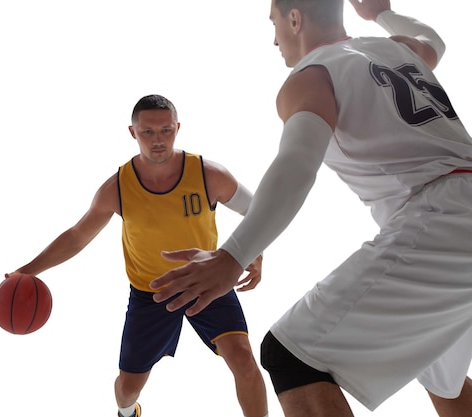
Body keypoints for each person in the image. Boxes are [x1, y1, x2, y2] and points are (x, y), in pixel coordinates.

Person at [149, 0, 472, 416]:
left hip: (445, 220)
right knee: (440, 377)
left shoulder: (312, 76)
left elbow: (297, 164)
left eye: (275, 22)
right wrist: (380, 12)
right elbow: (433, 40)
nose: (275, 38)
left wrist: (233, 255)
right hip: (455, 214)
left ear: (295, 18)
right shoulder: (397, 51)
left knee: (291, 356)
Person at [7, 94, 268, 417]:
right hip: (151, 293)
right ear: (132, 132)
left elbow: (257, 210)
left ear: (177, 128)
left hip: (207, 281)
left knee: (243, 359)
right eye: (147, 132)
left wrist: (252, 250)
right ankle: (128, 413)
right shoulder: (117, 187)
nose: (158, 139)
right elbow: (77, 237)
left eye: (166, 130)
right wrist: (28, 270)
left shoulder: (207, 174)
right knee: (127, 388)